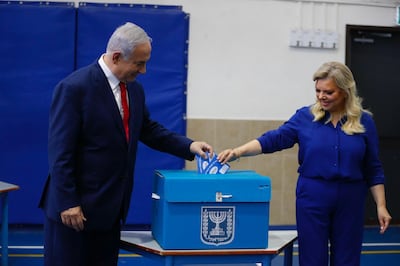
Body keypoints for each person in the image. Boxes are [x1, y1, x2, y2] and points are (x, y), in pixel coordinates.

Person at [38, 22, 213, 266]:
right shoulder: (74, 88)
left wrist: (189, 146)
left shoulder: (134, 90)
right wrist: (69, 202)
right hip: (73, 214)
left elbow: (148, 129)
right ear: (117, 57)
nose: (144, 71)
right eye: (139, 63)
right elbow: (60, 153)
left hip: (110, 212)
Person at [218, 61, 391, 266]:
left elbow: (373, 167)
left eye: (329, 92)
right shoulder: (304, 117)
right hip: (313, 195)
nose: (321, 96)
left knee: (347, 258)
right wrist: (238, 152)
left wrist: (381, 205)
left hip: (351, 198)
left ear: (345, 91)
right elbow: (274, 139)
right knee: (312, 258)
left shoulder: (365, 122)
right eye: (317, 91)